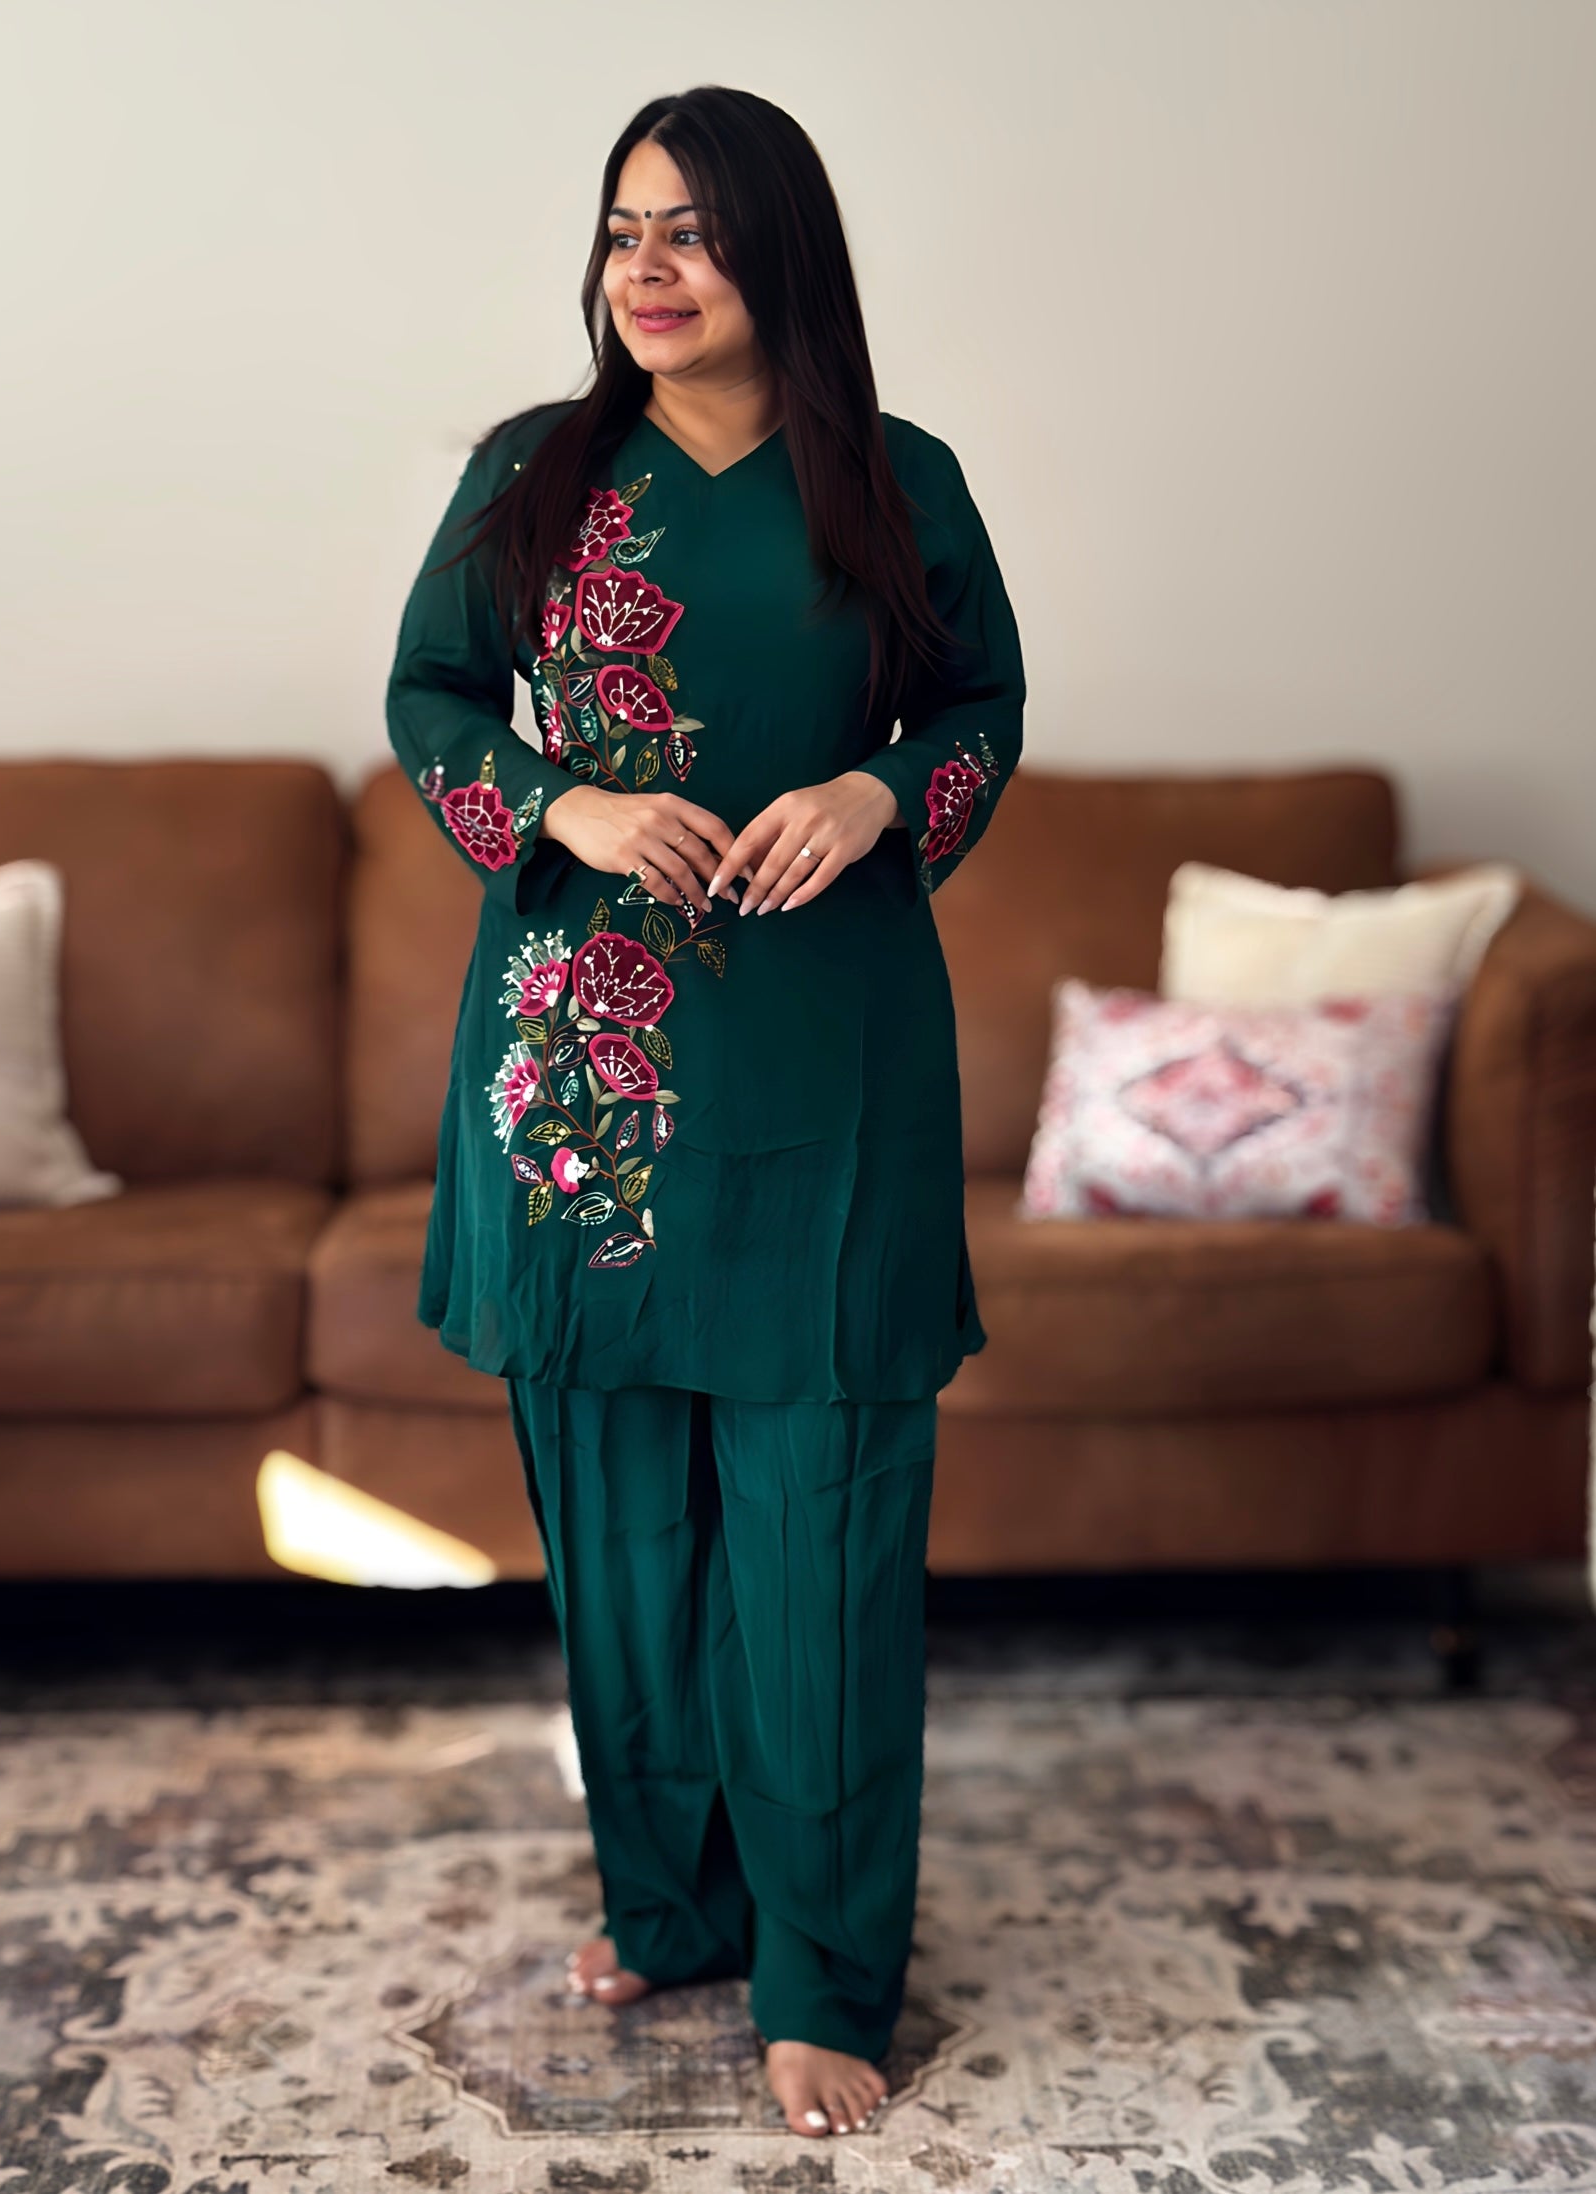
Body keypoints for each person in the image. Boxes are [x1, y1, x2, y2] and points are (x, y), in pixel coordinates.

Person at [384, 85, 1026, 2141]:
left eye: (690, 234)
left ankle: (823, 1967)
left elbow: (980, 703)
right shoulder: (532, 473)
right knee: (620, 1528)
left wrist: (876, 789)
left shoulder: (892, 480)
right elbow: (429, 696)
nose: (642, 272)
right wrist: (559, 798)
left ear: (780, 254)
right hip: (584, 1065)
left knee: (819, 1527)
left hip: (824, 1060)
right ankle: (669, 1902)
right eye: (618, 232)